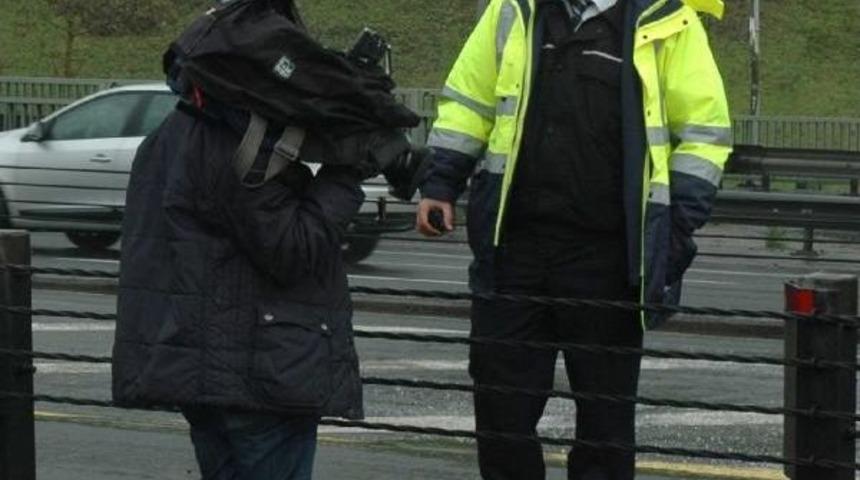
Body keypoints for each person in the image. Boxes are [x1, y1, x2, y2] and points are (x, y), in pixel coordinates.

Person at [416, 0, 732, 478]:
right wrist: (440, 182)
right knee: (502, 414)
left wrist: (674, 226)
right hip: (514, 249)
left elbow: (704, 133)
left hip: (609, 259)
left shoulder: (668, 21)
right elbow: (469, 101)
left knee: (605, 425)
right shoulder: (514, 10)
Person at [111, 1, 422, 479]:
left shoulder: (176, 130)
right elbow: (294, 249)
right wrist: (348, 171)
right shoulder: (236, 147)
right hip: (259, 376)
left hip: (206, 371)